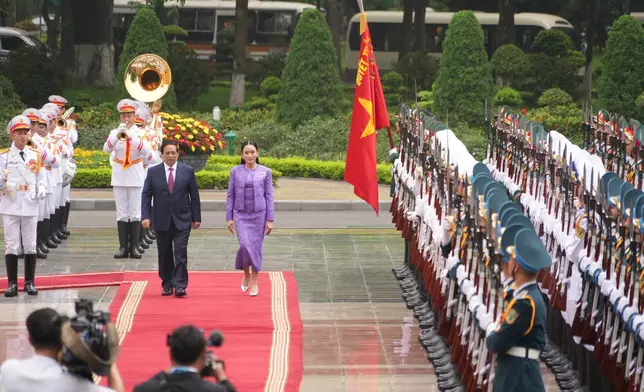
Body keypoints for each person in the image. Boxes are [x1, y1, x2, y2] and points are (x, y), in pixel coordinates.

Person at [485, 227, 552, 392]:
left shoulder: (525, 303)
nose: (509, 262)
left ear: (517, 267)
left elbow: (497, 342)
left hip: (519, 378)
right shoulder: (527, 296)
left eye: (512, 259)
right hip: (519, 374)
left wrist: (490, 328)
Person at [0, 308, 124, 392]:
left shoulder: (9, 370)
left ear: (30, 340)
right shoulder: (75, 384)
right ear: (63, 339)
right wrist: (108, 360)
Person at [141, 140, 201, 297]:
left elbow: (194, 195)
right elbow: (146, 195)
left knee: (180, 252)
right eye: (167, 153)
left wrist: (196, 217)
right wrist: (145, 216)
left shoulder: (187, 171)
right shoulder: (153, 172)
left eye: (173, 152)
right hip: (161, 219)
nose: (170, 155)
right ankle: (167, 283)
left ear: (178, 153)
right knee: (164, 253)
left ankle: (180, 285)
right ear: (162, 154)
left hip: (183, 218)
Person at [0, 116, 47, 297]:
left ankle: (29, 282)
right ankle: (12, 283)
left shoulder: (34, 154)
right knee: (12, 245)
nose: (23, 136)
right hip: (11, 202)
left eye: (26, 132)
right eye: (19, 133)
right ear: (12, 135)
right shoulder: (4, 156)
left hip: (29, 201)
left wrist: (41, 189)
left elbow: (40, 177)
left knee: (30, 244)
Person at [103, 99, 152, 259]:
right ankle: (123, 247)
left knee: (135, 213)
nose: (126, 118)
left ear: (134, 116)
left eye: (129, 115)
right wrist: (118, 136)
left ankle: (135, 247)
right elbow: (106, 149)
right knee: (122, 213)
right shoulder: (114, 132)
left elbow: (149, 154)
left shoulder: (141, 133)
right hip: (119, 176)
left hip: (135, 175)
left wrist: (133, 137)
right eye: (124, 115)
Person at [225, 141, 275, 297]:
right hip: (240, 214)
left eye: (252, 152)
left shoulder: (265, 172)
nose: (250, 155)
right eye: (246, 152)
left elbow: (269, 196)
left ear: (258, 152)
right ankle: (246, 273)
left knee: (255, 247)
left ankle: (254, 280)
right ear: (242, 154)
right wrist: (229, 217)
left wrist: (270, 219)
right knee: (245, 246)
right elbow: (230, 195)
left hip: (259, 215)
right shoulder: (235, 171)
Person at [132, 325, 236, 392]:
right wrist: (222, 377)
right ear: (203, 355)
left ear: (171, 354)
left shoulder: (145, 389)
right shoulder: (214, 390)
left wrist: (165, 373)